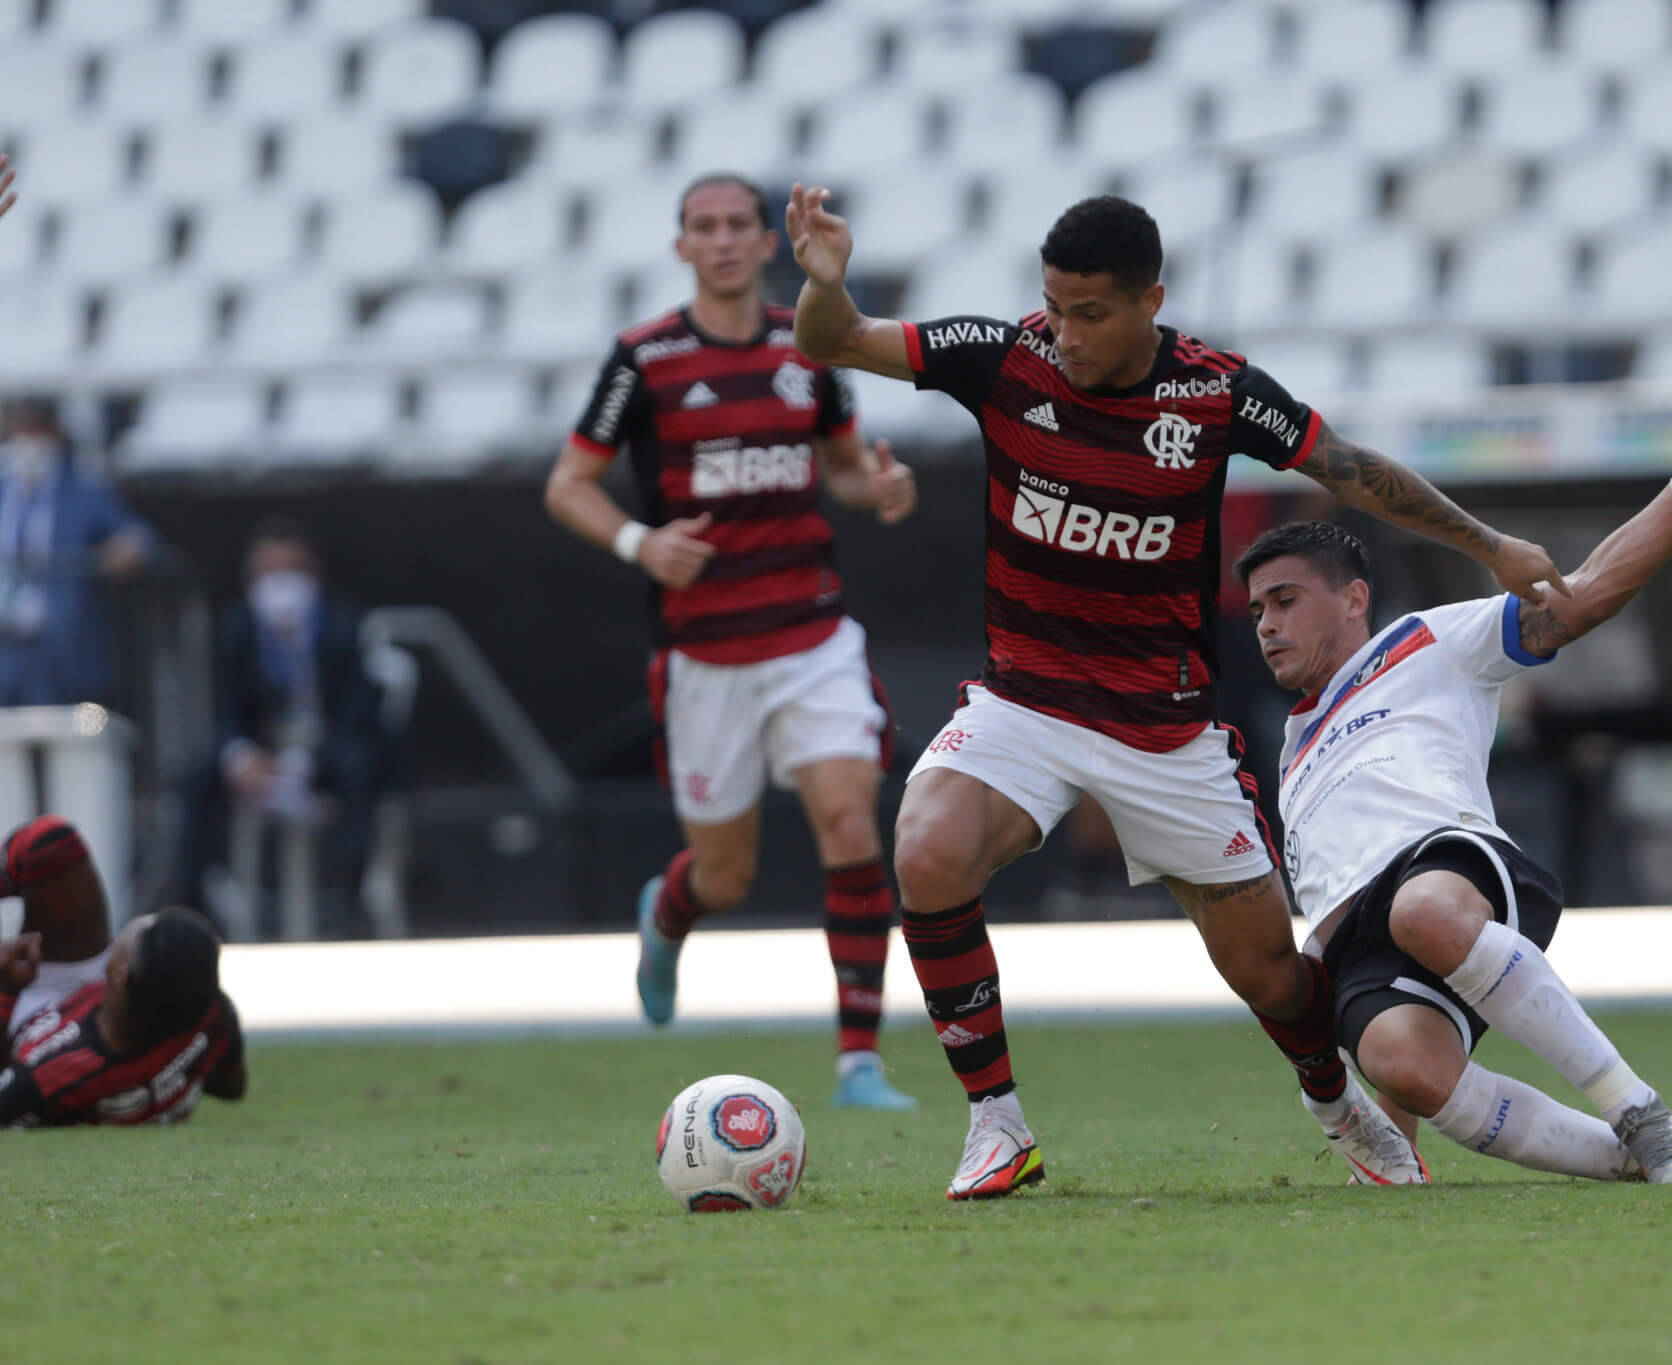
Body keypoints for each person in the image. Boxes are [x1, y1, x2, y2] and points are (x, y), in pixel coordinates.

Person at [786, 184, 1569, 1198]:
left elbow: (1350, 469)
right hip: (1025, 701)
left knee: (1267, 974)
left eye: (1090, 313)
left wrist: (1492, 544)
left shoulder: (1213, 393)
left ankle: (1335, 1102)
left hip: (1164, 727)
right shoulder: (1003, 356)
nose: (1063, 334)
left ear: (1150, 301)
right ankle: (995, 1124)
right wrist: (823, 283)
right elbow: (835, 339)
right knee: (927, 849)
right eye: (1054, 307)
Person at [1239, 392, 1672, 1186]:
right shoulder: (1291, 749)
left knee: (1424, 910)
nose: (1266, 624)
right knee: (1404, 1061)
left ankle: (1637, 1109)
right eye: (1259, 608)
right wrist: (1377, 1112)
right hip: (1358, 938)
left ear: (1354, 598)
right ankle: (1661, 1158)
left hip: (1443, 868)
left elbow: (1587, 593)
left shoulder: (1426, 640)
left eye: (1286, 601)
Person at [545, 173, 921, 1111]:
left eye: (736, 226)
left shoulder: (813, 343)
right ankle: (666, 918)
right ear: (681, 247)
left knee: (849, 821)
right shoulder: (646, 357)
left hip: (812, 635)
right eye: (701, 228)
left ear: (766, 243)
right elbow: (569, 484)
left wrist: (873, 487)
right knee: (726, 874)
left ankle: (858, 1061)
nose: (720, 241)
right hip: (706, 653)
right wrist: (641, 541)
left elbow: (839, 466)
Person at [166, 520, 384, 935]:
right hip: (260, 755)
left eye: (292, 570)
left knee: (361, 767)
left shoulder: (344, 626)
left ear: (312, 575)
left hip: (326, 754)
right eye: (269, 572)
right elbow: (222, 706)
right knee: (196, 776)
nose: (281, 584)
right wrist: (240, 755)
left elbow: (361, 713)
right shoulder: (236, 628)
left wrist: (306, 763)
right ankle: (191, 910)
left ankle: (353, 903)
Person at [1, 816, 247, 1127]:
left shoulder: (51, 1073)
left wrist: (6, 992)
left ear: (119, 972)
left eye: (149, 927)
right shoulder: (210, 1012)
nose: (144, 919)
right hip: (96, 1007)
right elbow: (232, 1088)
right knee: (51, 847)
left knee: (49, 843)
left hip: (17, 1032)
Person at [0, 397, 155, 707]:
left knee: (79, 733)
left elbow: (139, 537)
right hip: (6, 645)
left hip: (62, 648)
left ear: (55, 436)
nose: (27, 443)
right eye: (19, 432)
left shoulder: (84, 492)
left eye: (36, 432)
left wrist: (126, 549)